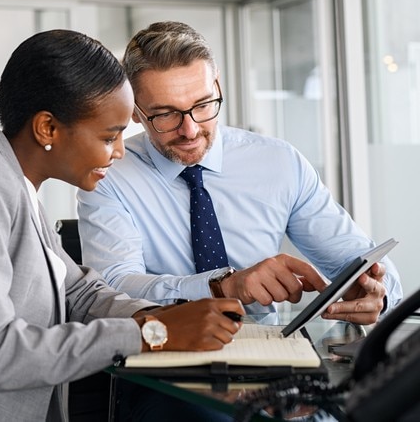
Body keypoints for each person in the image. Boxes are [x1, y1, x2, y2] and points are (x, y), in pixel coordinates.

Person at [0, 29, 244, 422]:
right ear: (47, 128)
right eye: (109, 136)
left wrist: (160, 317)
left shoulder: (18, 185)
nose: (118, 151)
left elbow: (80, 292)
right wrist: (151, 334)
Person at [77, 21, 402, 327]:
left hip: (274, 352)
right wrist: (222, 286)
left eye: (203, 105)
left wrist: (377, 293)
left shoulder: (279, 162)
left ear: (217, 85)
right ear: (134, 109)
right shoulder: (108, 175)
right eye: (165, 114)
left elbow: (360, 259)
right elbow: (112, 289)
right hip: (162, 354)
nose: (190, 130)